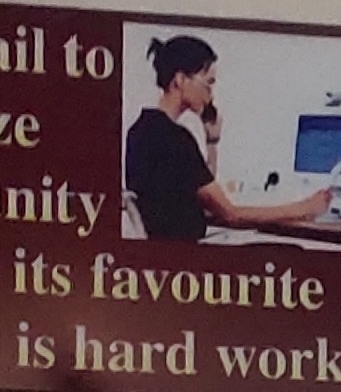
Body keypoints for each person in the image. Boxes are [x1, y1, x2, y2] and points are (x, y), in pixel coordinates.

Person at [122, 33, 330, 241]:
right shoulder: (175, 138)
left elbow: (199, 195)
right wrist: (304, 208)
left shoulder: (140, 130)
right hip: (187, 251)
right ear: (180, 80)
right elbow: (231, 214)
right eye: (209, 83)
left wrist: (212, 142)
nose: (211, 95)